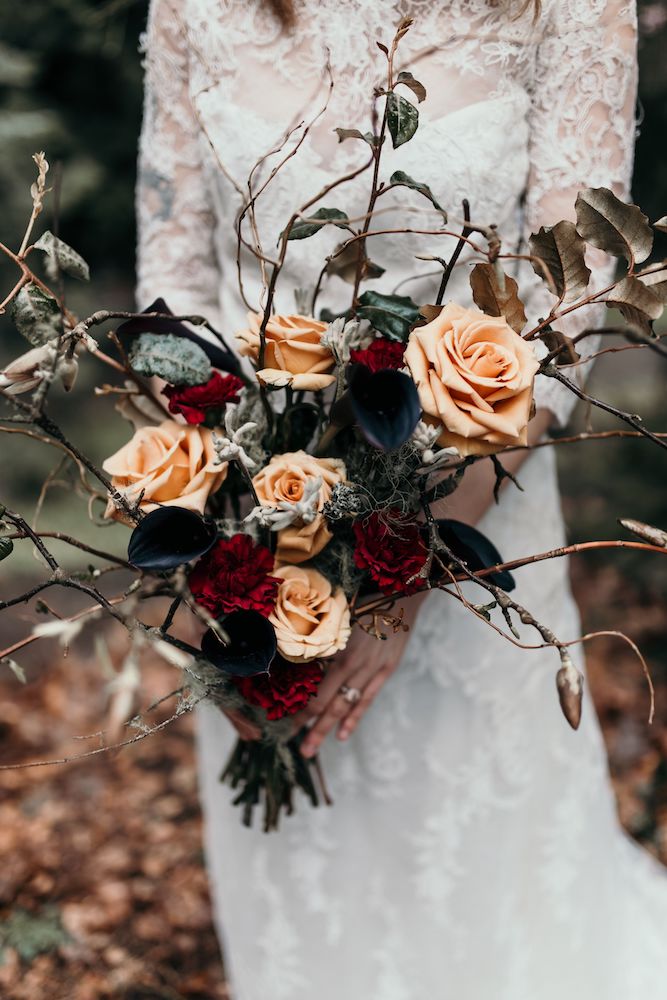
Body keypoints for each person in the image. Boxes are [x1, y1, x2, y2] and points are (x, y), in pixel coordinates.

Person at [136, 1, 667, 997]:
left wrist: (407, 554)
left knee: (481, 902)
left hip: (475, 517)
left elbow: (565, 314)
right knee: (304, 879)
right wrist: (221, 548)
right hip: (256, 523)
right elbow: (176, 284)